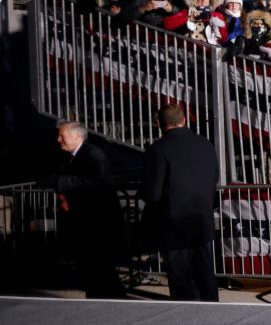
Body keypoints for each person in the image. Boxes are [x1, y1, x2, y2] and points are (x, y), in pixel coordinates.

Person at [141, 104, 220, 302]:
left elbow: (152, 192)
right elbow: (214, 177)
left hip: (174, 223)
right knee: (205, 272)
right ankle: (215, 310)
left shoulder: (158, 150)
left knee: (181, 278)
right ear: (184, 120)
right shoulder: (205, 144)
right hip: (202, 219)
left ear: (158, 123)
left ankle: (186, 316)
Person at [53, 121, 125, 298]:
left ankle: (112, 300)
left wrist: (62, 183)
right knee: (89, 267)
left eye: (62, 136)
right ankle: (98, 298)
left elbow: (98, 182)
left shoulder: (93, 155)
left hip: (97, 222)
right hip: (83, 221)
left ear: (77, 136)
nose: (58, 140)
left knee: (100, 266)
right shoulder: (70, 156)